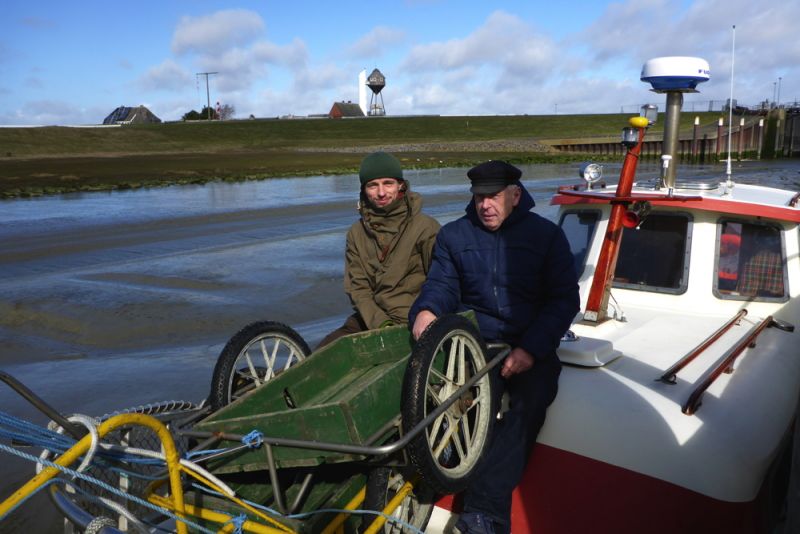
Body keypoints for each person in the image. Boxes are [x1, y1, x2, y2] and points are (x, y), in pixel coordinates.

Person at [409, 160, 580, 534]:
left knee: (531, 404)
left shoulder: (546, 236)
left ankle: (484, 513)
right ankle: (451, 482)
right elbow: (441, 286)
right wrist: (425, 311)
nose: (485, 204)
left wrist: (530, 349)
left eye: (494, 196)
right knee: (469, 406)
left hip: (530, 344)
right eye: (479, 197)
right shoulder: (454, 236)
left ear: (515, 195)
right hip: (478, 345)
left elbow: (564, 299)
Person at [317, 151, 440, 348]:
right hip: (370, 319)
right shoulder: (356, 233)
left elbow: (440, 282)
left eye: (388, 183)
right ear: (364, 189)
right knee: (324, 353)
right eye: (373, 185)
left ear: (400, 185)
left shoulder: (425, 228)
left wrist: (426, 315)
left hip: (414, 320)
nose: (381, 193)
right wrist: (381, 323)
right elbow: (358, 289)